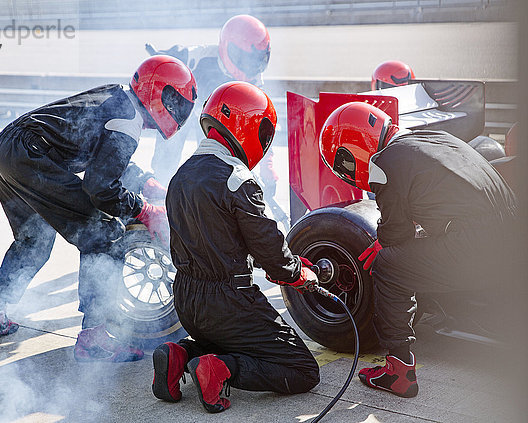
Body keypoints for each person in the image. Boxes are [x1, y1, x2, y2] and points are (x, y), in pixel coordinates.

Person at [0, 55, 197, 363]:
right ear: (159, 92)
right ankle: (94, 337)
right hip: (29, 153)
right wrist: (144, 209)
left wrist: (144, 182)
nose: (177, 111)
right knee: (105, 234)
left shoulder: (119, 100)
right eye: (176, 102)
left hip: (7, 149)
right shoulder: (128, 121)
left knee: (33, 238)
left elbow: (103, 160)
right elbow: (100, 188)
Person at [319, 101, 516, 397]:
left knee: (388, 265)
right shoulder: (439, 139)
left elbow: (396, 234)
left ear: (353, 150)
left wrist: (382, 242)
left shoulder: (385, 162)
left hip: (480, 249)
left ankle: (399, 370)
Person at [151, 81, 320, 413]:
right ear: (249, 126)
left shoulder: (180, 177)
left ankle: (181, 355)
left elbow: (217, 241)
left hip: (186, 300)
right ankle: (221, 369)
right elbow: (268, 246)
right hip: (230, 303)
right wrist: (297, 272)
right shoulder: (236, 178)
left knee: (228, 340)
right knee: (303, 370)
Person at [145, 14, 278, 203]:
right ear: (227, 46)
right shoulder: (197, 57)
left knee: (217, 160)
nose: (251, 67)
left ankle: (212, 198)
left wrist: (267, 165)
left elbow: (260, 122)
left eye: (257, 60)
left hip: (215, 118)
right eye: (246, 59)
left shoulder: (254, 79)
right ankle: (160, 189)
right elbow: (169, 59)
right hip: (186, 109)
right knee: (170, 139)